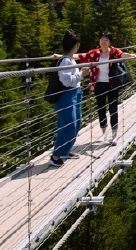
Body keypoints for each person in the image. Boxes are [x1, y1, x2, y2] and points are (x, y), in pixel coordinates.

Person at [73, 32, 136, 145]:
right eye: (102, 39)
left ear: (109, 42)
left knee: (113, 109)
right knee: (101, 109)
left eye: (106, 39)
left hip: (112, 85)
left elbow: (122, 54)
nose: (103, 41)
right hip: (99, 85)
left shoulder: (114, 52)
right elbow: (80, 56)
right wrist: (62, 56)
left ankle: (114, 135)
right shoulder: (94, 53)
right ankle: (104, 134)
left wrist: (132, 55)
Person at [49, 29, 89, 167]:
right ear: (76, 46)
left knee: (76, 123)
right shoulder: (66, 61)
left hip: (75, 93)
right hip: (66, 95)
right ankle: (55, 155)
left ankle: (65, 150)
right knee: (69, 125)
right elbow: (66, 81)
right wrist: (82, 74)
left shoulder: (70, 59)